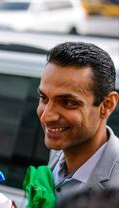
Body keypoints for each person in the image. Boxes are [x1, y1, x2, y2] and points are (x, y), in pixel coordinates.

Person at [36, 42, 119, 205]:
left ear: (107, 104)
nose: (46, 117)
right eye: (44, 98)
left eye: (67, 102)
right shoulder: (58, 157)